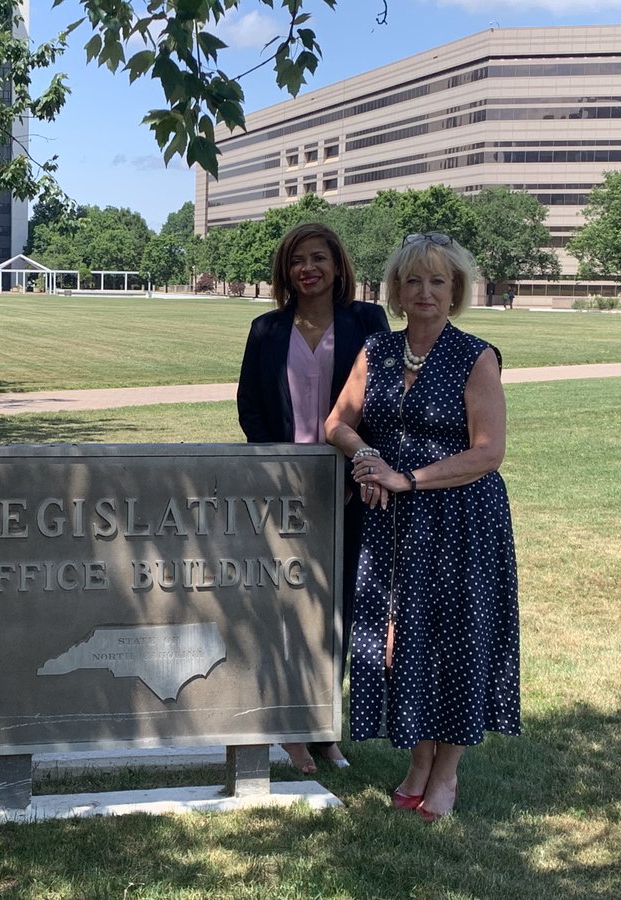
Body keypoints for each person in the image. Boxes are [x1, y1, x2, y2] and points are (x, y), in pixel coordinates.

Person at [325, 231, 519, 822]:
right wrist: (365, 455)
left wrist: (405, 478)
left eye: (438, 281)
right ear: (397, 289)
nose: (425, 291)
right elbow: (337, 422)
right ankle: (418, 761)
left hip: (461, 521)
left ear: (456, 290)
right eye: (414, 280)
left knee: (456, 641)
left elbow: (488, 452)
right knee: (401, 642)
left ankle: (446, 774)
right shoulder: (378, 351)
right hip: (393, 523)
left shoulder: (476, 356)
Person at [236, 222, 389, 774]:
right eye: (298, 260)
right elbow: (251, 408)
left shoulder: (367, 322)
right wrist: (276, 472)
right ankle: (288, 725)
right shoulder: (266, 329)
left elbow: (381, 401)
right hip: (284, 490)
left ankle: (323, 727)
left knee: (338, 607)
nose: (308, 269)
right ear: (286, 270)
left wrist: (357, 470)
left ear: (337, 264)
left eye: (319, 258)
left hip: (350, 486)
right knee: (284, 607)